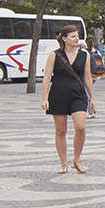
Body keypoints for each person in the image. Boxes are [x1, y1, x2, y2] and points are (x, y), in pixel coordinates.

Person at [41, 22, 92, 174]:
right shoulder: (54, 55)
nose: (77, 39)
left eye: (77, 36)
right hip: (59, 93)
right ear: (64, 38)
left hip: (78, 94)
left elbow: (87, 78)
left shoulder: (85, 55)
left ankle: (77, 159)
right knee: (61, 131)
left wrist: (93, 98)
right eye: (73, 36)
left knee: (81, 127)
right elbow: (47, 77)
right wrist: (44, 98)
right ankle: (63, 162)